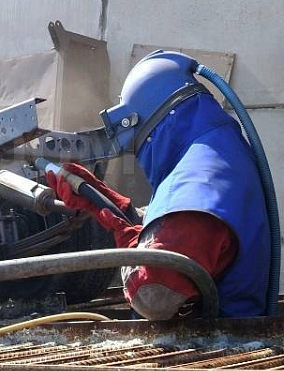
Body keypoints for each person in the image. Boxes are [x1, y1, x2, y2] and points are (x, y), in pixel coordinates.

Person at [47, 51, 270, 319]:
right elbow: (180, 234)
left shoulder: (198, 182)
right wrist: (107, 203)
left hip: (209, 340)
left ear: (154, 129)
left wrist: (129, 243)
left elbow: (153, 296)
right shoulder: (216, 151)